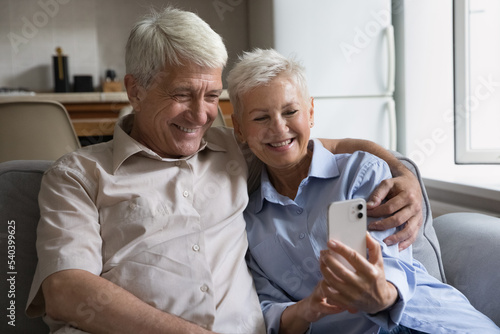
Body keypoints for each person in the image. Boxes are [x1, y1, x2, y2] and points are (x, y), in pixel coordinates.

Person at [26, 7, 424, 334]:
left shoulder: (233, 148)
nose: (201, 115)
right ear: (135, 90)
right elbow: (65, 288)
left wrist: (402, 171)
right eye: (182, 95)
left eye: (212, 96)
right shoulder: (77, 175)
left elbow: (308, 144)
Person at [227, 48, 500, 334]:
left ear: (310, 112)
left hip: (431, 319)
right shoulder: (245, 218)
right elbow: (266, 309)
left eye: (290, 111)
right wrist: (304, 310)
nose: (279, 128)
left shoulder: (361, 172)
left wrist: (382, 293)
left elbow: (393, 255)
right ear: (239, 129)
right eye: (260, 118)